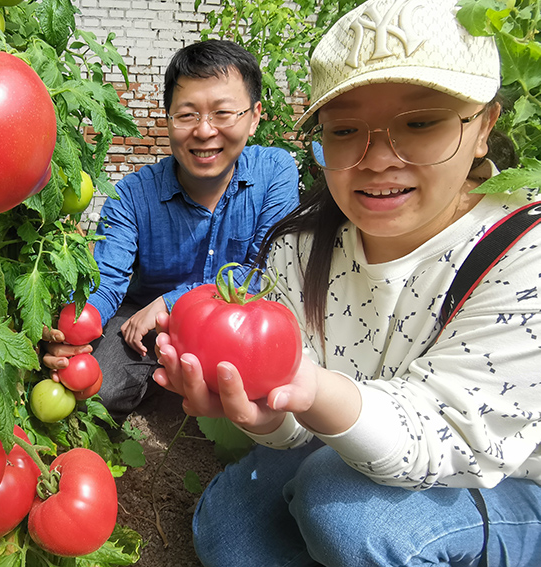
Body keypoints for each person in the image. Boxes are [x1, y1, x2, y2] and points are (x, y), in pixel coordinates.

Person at [152, 0, 541, 565]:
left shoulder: (521, 250)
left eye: (421, 122)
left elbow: (448, 439)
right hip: (342, 451)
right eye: (345, 129)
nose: (378, 158)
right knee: (231, 528)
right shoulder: (301, 246)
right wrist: (270, 409)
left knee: (351, 514)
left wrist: (312, 390)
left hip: (496, 478)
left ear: (484, 127)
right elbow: (291, 418)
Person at [43, 39, 300, 416]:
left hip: (238, 321)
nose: (204, 130)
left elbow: (265, 272)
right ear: (168, 119)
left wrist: (170, 300)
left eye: (224, 113)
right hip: (146, 321)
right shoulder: (132, 194)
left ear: (254, 116)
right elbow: (107, 279)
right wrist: (76, 330)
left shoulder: (275, 171)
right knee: (102, 388)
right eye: (187, 115)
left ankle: (183, 374)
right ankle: (161, 370)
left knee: (264, 385)